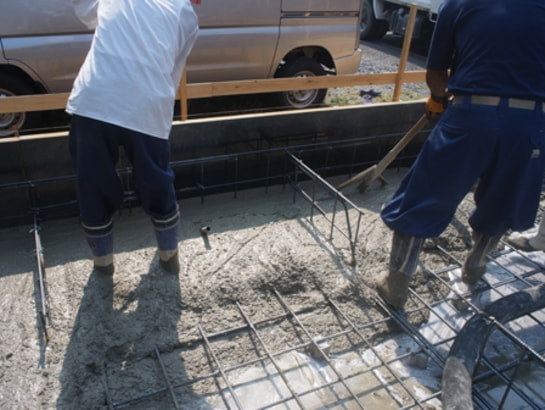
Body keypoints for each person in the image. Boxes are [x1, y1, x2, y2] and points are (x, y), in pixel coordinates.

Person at [375, 0, 545, 308]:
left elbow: (436, 74)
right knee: (503, 198)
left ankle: (397, 282)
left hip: (472, 114)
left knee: (424, 194)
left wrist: (439, 100)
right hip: (529, 124)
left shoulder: (459, 4)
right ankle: (476, 264)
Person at [67, 0, 199, 274]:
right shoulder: (184, 13)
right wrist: (161, 108)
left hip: (95, 99)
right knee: (155, 178)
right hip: (146, 101)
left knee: (92, 181)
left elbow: (86, 13)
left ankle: (103, 263)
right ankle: (169, 256)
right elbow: (174, 67)